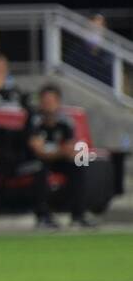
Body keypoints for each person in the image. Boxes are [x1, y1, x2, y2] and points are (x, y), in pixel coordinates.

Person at [24, 84, 96, 230]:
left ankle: (78, 215)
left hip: (56, 159)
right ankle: (43, 216)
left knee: (79, 163)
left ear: (58, 102)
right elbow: (38, 151)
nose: (48, 105)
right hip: (31, 161)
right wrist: (59, 151)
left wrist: (61, 152)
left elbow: (70, 148)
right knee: (40, 167)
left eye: (51, 101)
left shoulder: (65, 122)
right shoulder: (33, 120)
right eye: (45, 101)